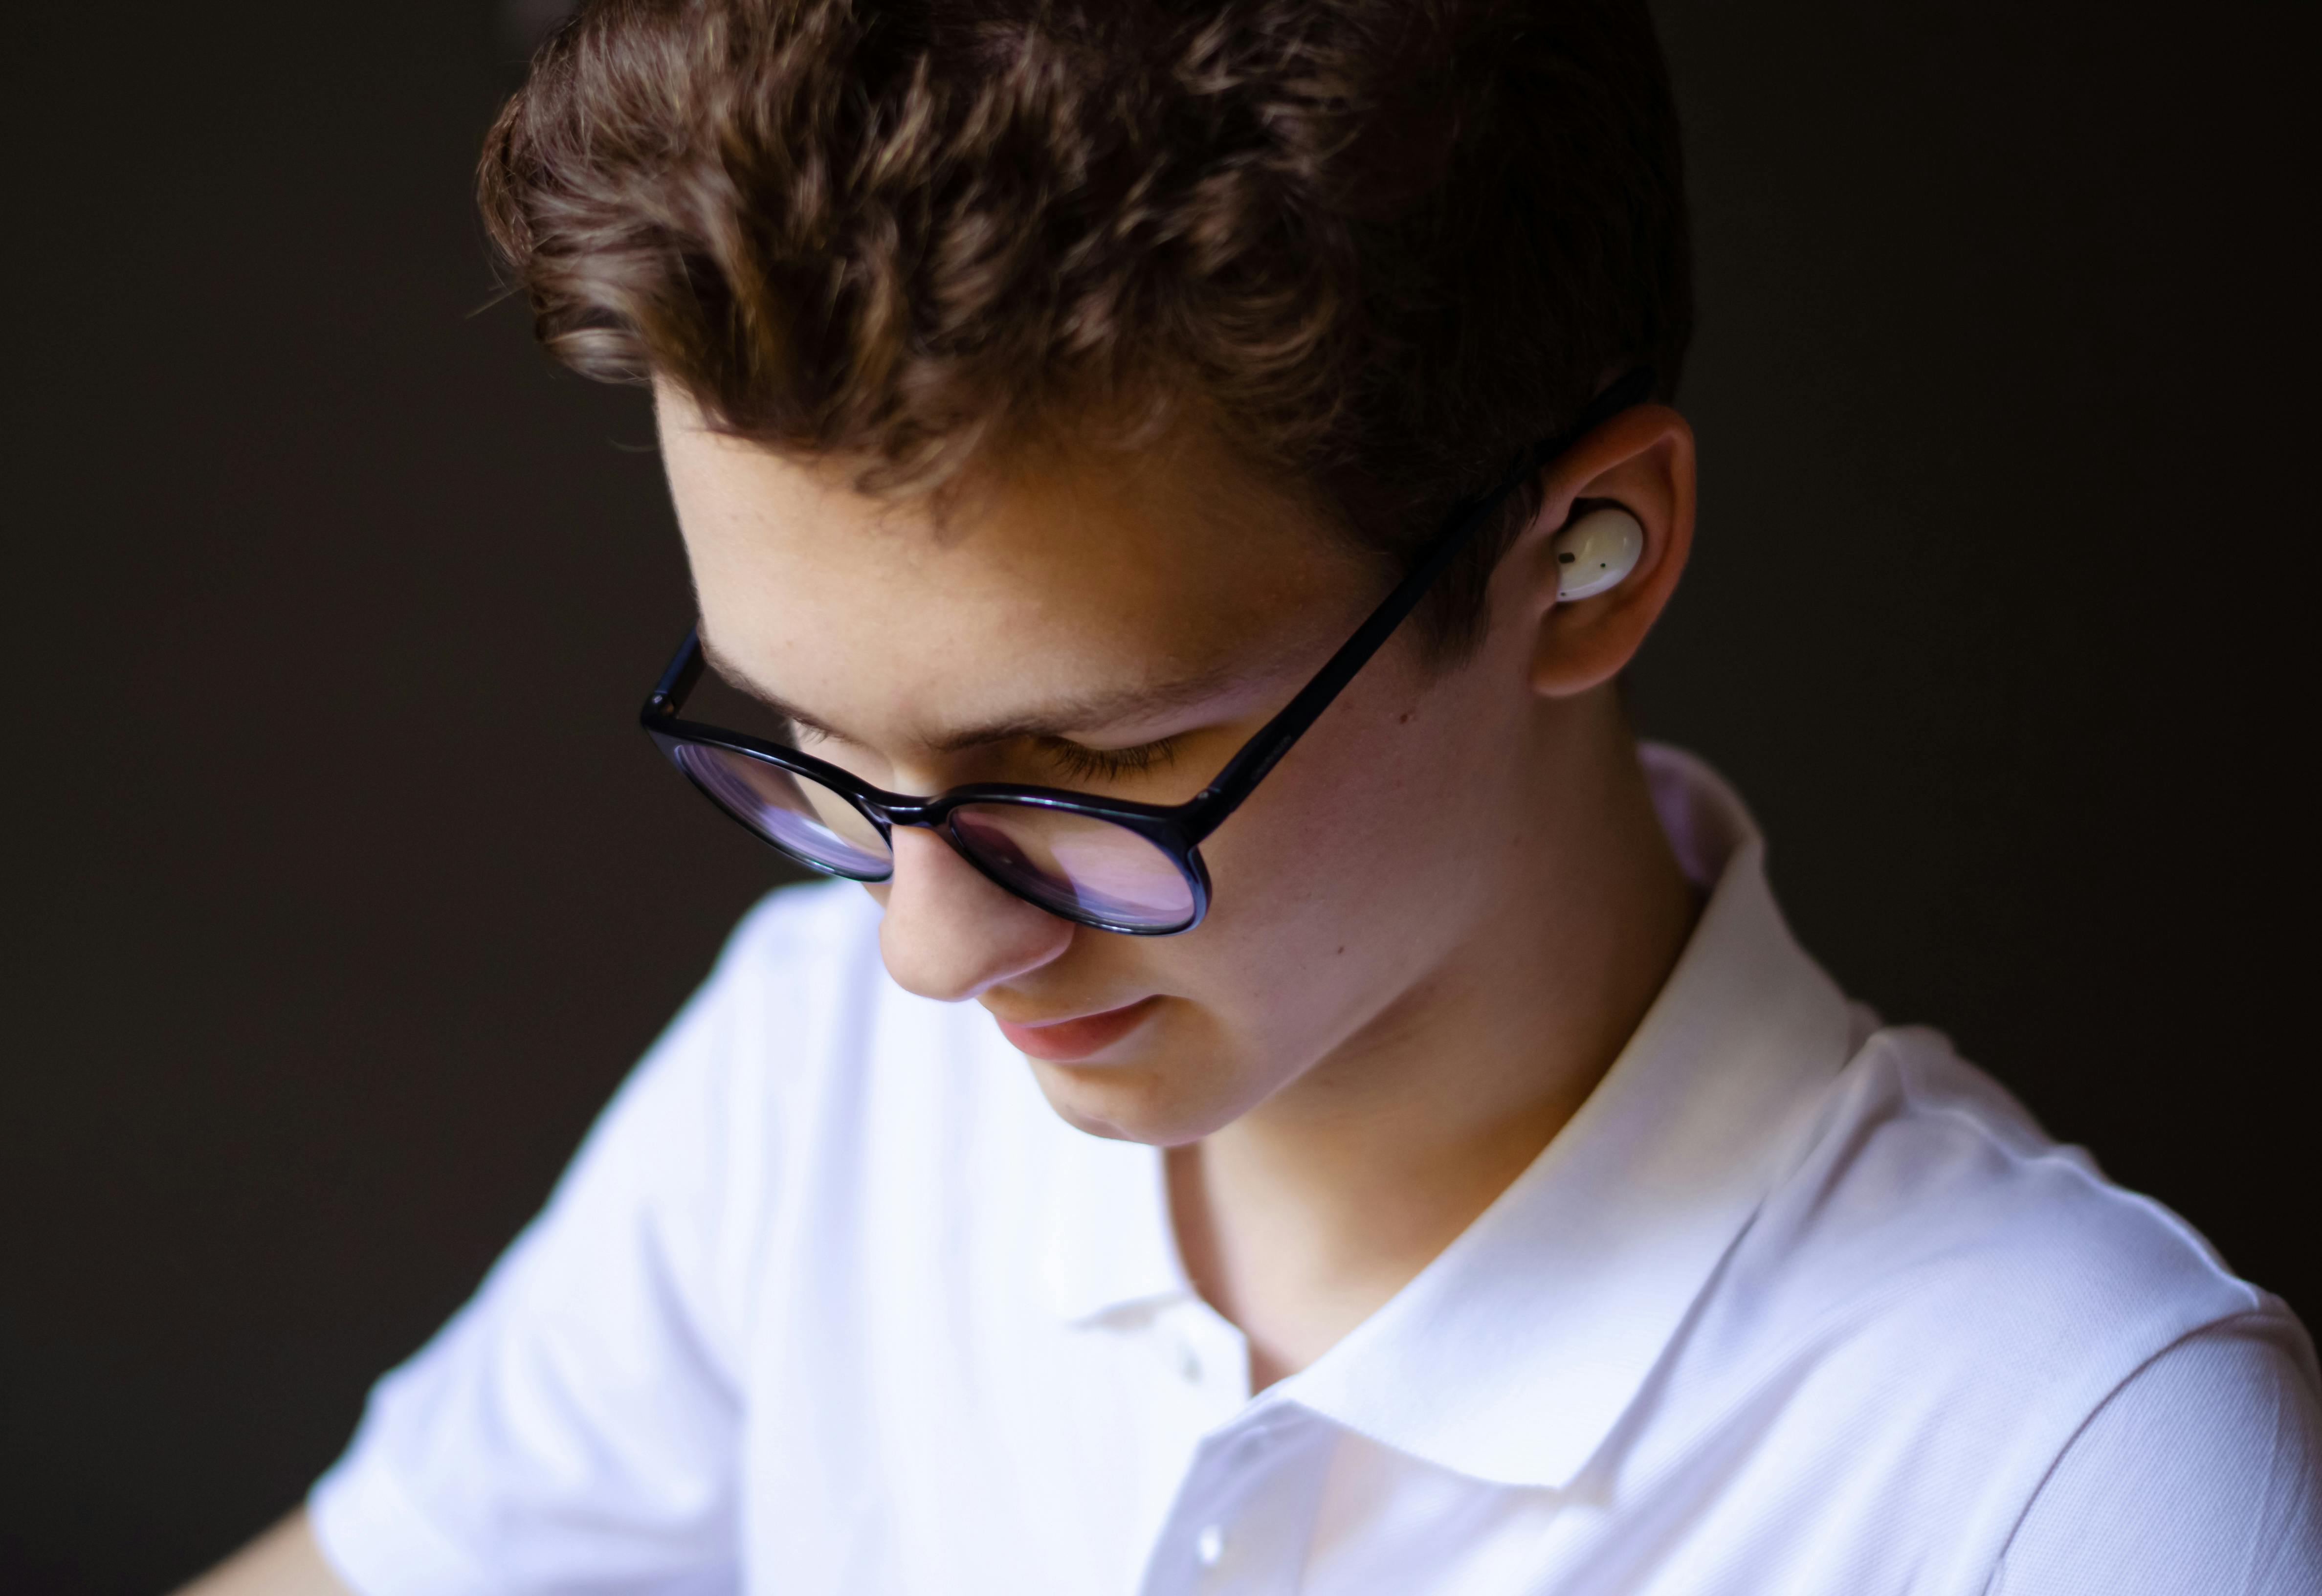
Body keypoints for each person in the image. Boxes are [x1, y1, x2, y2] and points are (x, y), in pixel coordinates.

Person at [184, 0, 2319, 1591]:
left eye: (1095, 764)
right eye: (811, 750)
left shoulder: (2084, 1475)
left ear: (1589, 559)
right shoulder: (814, 1071)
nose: (925, 953)